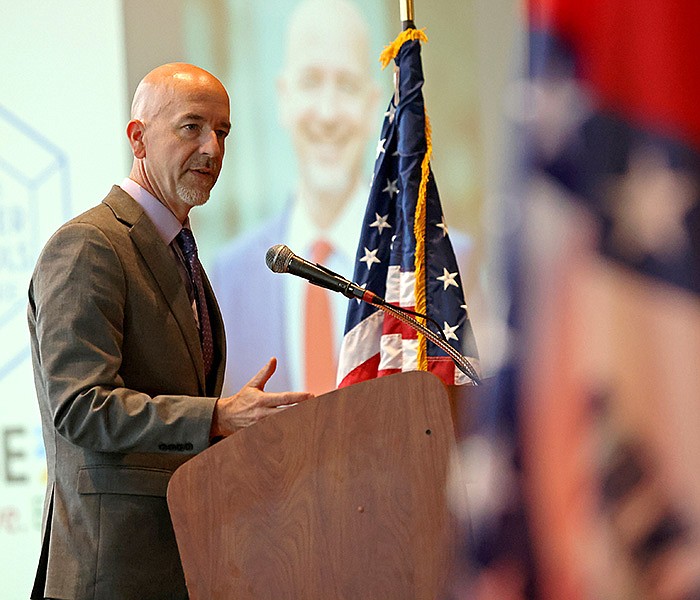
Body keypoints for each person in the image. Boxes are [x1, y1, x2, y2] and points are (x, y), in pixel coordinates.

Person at [28, 63, 311, 600]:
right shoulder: (90, 245)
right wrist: (215, 416)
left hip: (188, 559)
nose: (212, 149)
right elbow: (80, 406)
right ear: (138, 136)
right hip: (112, 571)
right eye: (192, 127)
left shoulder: (180, 250)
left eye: (222, 132)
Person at [211, 0, 476, 397]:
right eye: (311, 81)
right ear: (284, 97)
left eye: (347, 85)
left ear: (373, 105)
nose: (329, 112)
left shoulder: (444, 259)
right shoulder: (227, 277)